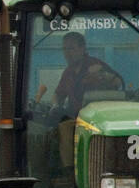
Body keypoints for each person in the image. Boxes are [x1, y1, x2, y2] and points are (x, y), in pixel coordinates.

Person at [32, 31, 123, 173]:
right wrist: (55, 105)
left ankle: (70, 174)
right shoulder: (68, 72)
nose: (67, 53)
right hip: (76, 118)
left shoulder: (95, 65)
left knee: (66, 128)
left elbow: (118, 82)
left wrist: (103, 75)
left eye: (71, 48)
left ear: (82, 49)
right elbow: (58, 94)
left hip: (96, 122)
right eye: (65, 49)